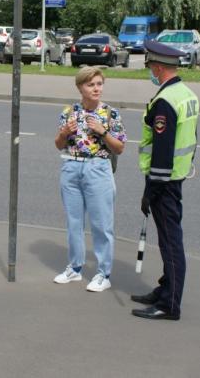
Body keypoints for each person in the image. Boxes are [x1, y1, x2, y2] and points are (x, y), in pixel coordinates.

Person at [131, 40, 199, 321]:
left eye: (150, 67)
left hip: (165, 182)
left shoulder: (165, 102)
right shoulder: (187, 94)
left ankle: (170, 304)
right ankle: (164, 290)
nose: (150, 72)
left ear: (158, 67)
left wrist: (151, 191)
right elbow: (192, 138)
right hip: (176, 178)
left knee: (171, 243)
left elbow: (162, 151)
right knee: (168, 240)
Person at [53, 66, 126, 292]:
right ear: (80, 87)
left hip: (98, 168)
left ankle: (103, 273)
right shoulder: (69, 112)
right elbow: (58, 144)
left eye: (99, 84)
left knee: (101, 224)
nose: (96, 89)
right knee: (74, 222)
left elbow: (120, 147)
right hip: (71, 165)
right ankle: (75, 268)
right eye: (91, 85)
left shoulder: (109, 114)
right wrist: (65, 133)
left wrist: (103, 132)